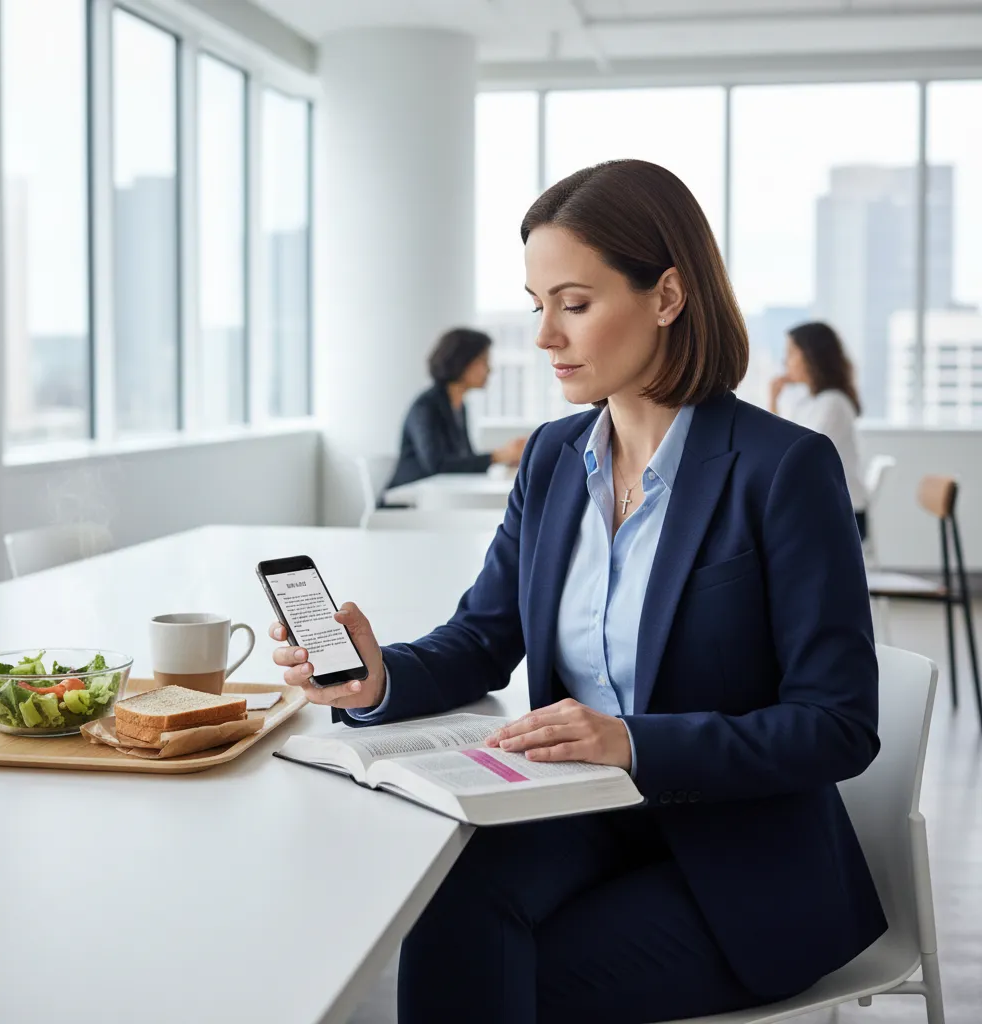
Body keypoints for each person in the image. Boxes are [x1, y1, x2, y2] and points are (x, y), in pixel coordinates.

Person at [271, 160, 885, 1023]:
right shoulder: (557, 458)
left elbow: (839, 726)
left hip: (735, 858)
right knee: (446, 913)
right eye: (537, 305)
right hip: (577, 815)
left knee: (514, 979)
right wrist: (380, 681)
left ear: (667, 296)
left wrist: (632, 739)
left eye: (575, 303)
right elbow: (482, 637)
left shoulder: (784, 470)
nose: (545, 336)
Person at [386, 327, 527, 490]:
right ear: (462, 362)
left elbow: (464, 460)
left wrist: (505, 458)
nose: (489, 369)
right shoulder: (426, 406)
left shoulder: (459, 406)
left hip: (435, 497)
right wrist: (499, 455)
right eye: (483, 361)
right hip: (407, 501)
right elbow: (437, 465)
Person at [769, 321, 869, 539]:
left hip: (842, 513)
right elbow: (781, 443)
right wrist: (774, 400)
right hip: (824, 506)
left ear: (811, 357)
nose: (786, 361)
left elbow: (797, 456)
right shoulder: (810, 401)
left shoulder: (833, 403)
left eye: (792, 353)